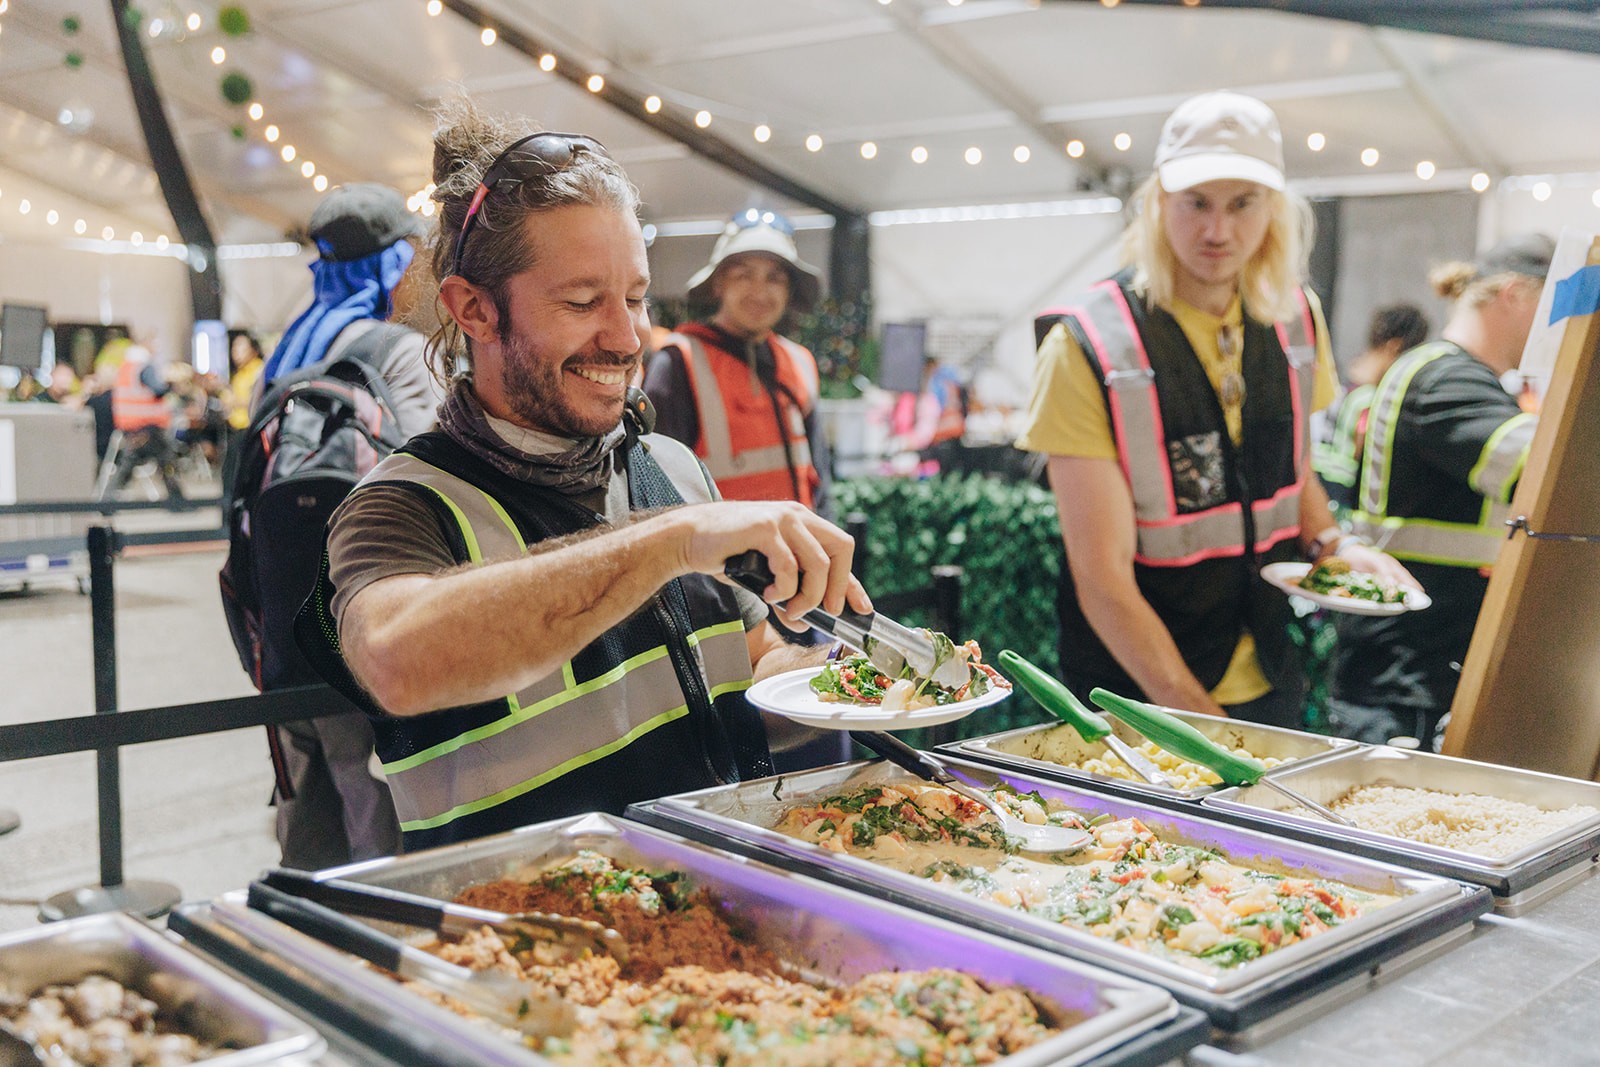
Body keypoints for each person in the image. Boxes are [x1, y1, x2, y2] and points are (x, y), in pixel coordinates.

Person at [294, 99, 870, 852]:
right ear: (472, 308)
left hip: (723, 917)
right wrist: (673, 539)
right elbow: (399, 660)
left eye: (634, 297)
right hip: (531, 941)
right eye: (582, 301)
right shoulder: (404, 505)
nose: (627, 337)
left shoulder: (669, 466)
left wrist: (835, 675)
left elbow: (743, 656)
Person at [1019, 91, 1414, 726]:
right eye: (1195, 203)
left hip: (1267, 664)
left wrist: (1335, 546)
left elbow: (1291, 470)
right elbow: (1102, 581)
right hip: (1138, 694)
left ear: (1274, 209)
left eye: (1242, 204)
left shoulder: (1294, 318)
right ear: (1157, 203)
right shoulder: (1087, 342)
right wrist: (1198, 722)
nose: (1217, 231)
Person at [258, 182, 445, 871]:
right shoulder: (392, 352)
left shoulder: (285, 352)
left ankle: (301, 940)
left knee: (307, 800)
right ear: (392, 263)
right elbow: (435, 472)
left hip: (281, 628)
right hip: (360, 615)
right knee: (375, 806)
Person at [1327, 235, 1552, 747]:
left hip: (1408, 662)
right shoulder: (1446, 379)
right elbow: (1545, 470)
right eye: (1550, 308)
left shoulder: (1441, 371)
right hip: (1406, 671)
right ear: (1514, 294)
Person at [643, 210, 833, 520]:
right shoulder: (678, 364)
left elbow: (821, 477)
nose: (759, 291)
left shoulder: (799, 361)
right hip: (717, 566)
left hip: (800, 560)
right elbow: (658, 496)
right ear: (718, 284)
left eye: (775, 277)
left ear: (789, 291)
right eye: (744, 274)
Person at [1313, 303, 1430, 517]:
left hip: (1313, 486)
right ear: (1395, 347)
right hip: (1340, 499)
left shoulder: (1337, 381)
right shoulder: (1372, 400)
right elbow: (1364, 447)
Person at [108, 339, 185, 500]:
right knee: (166, 460)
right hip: (147, 427)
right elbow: (158, 389)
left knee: (128, 463)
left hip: (129, 426)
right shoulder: (143, 368)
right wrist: (171, 384)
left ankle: (108, 500)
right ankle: (177, 500)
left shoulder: (125, 368)